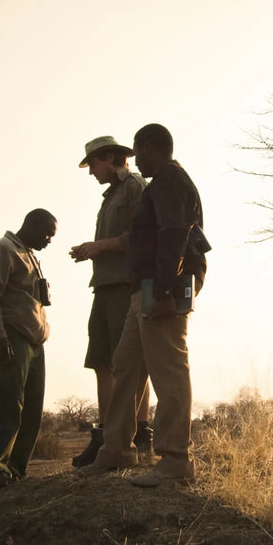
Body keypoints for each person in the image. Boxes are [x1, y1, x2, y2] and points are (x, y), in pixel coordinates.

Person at [78, 123, 209, 487]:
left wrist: (166, 292)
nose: (136, 160)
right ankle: (115, 451)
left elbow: (174, 236)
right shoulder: (162, 184)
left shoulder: (169, 181)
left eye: (139, 150)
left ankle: (175, 460)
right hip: (145, 290)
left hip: (160, 290)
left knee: (168, 371)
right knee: (124, 367)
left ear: (151, 148)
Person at [69, 136, 152, 467]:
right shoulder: (112, 194)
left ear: (107, 158)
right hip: (104, 286)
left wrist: (101, 246)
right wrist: (91, 250)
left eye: (93, 165)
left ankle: (136, 435)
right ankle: (107, 437)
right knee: (103, 361)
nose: (91, 173)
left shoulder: (135, 187)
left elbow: (144, 236)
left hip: (125, 287)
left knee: (128, 364)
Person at [0, 209, 57, 493]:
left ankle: (15, 472)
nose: (49, 241)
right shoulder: (3, 249)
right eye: (46, 234)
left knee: (31, 410)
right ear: (31, 225)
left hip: (35, 343)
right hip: (12, 337)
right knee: (6, 405)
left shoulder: (30, 253)